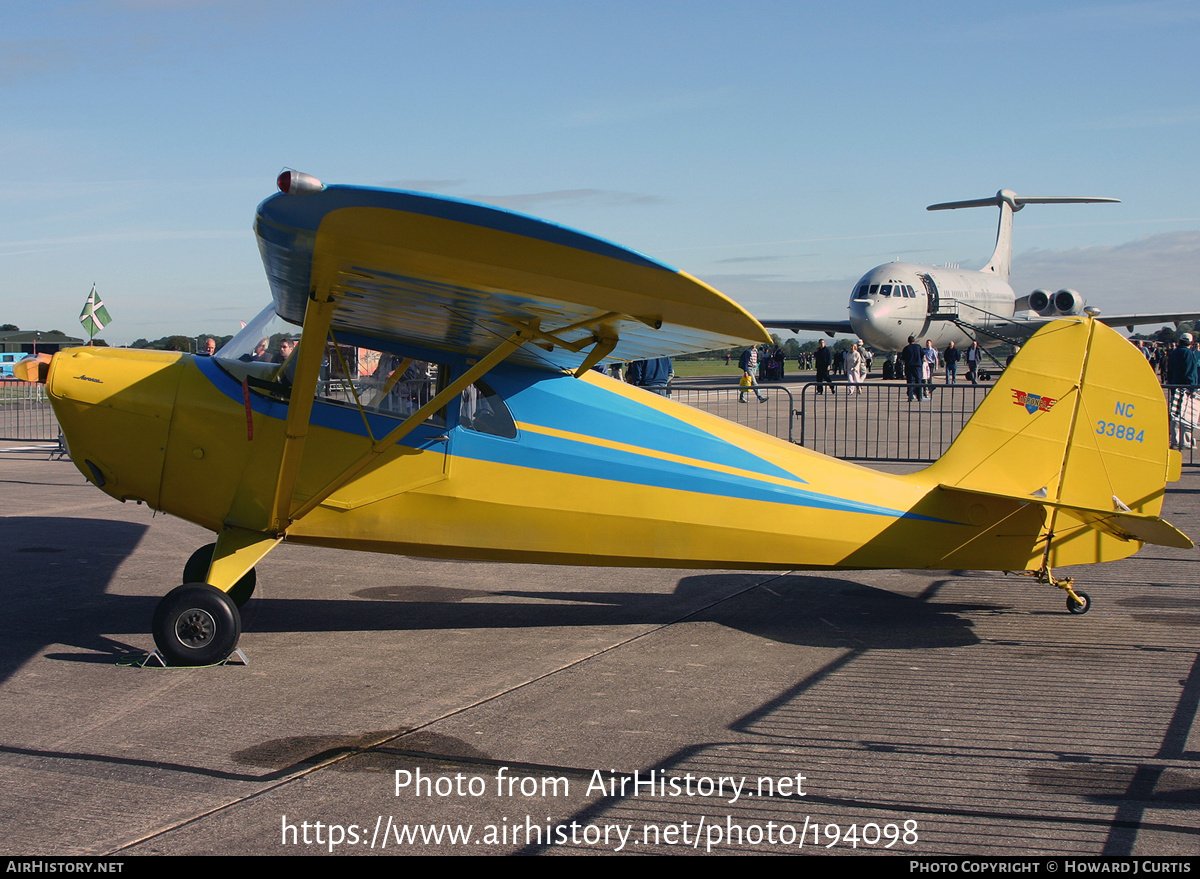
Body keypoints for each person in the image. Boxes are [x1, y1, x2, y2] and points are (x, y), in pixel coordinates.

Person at [1167, 334, 1199, 449]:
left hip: (1175, 386)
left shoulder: (1174, 353)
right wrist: (1193, 388)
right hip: (1186, 388)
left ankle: (1175, 440)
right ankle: (1185, 440)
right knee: (1187, 414)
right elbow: (1190, 372)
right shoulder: (1189, 353)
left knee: (1175, 414)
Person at [901, 335, 924, 402]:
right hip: (917, 366)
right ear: (914, 341)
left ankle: (910, 396)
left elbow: (903, 358)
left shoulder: (906, 348)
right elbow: (922, 355)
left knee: (910, 382)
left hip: (909, 366)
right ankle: (919, 397)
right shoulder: (918, 347)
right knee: (918, 381)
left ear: (908, 341)